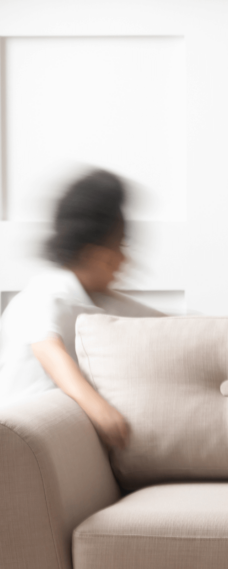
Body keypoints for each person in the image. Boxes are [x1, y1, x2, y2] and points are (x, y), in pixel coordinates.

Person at [0, 169, 163, 449]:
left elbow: (164, 324)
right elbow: (47, 349)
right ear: (95, 255)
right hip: (26, 438)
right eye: (122, 246)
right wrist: (102, 412)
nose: (126, 259)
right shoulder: (48, 292)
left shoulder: (96, 299)